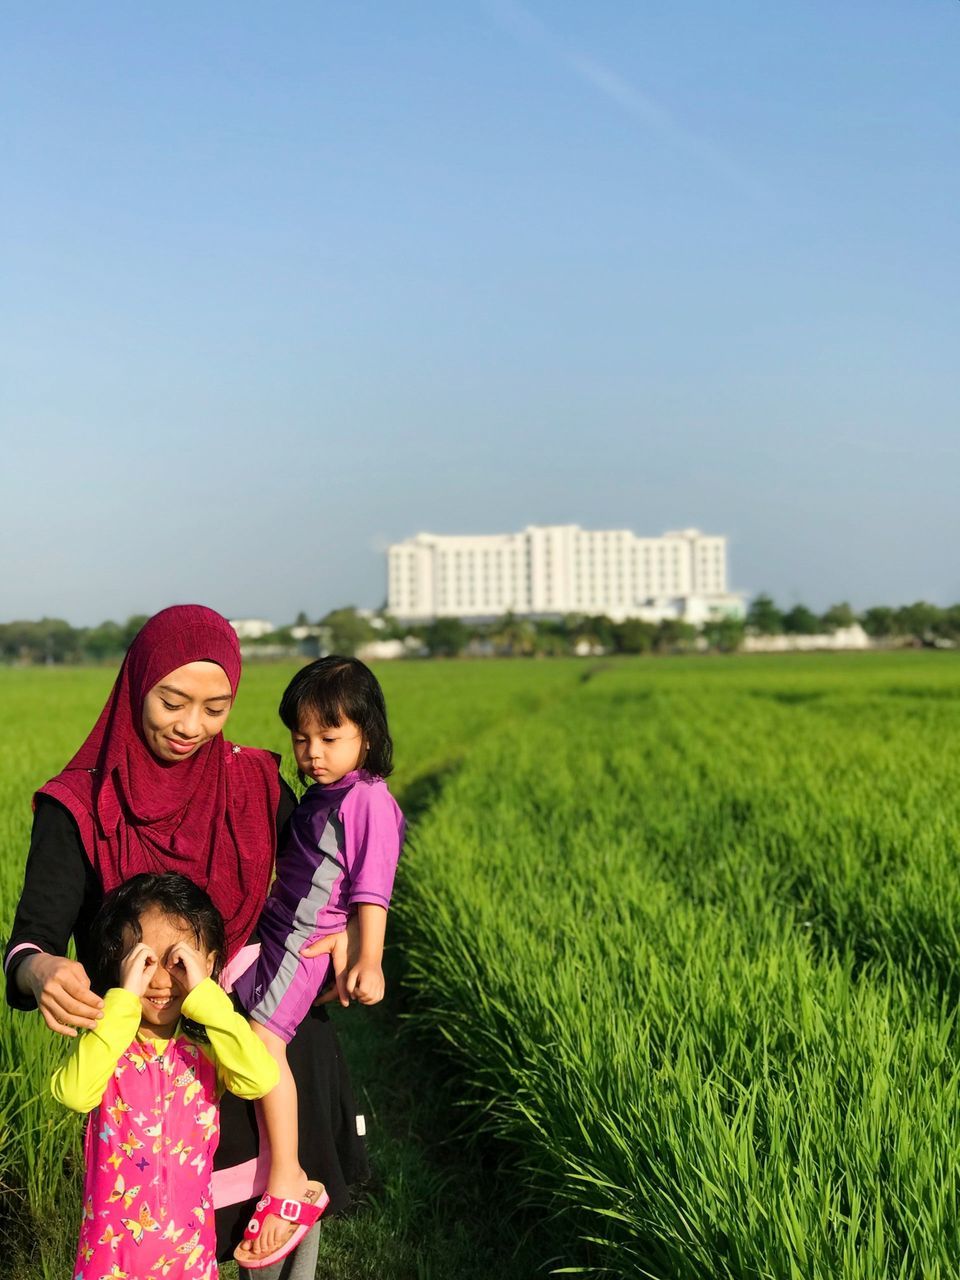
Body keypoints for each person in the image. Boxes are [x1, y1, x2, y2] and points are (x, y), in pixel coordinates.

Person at [4, 605, 369, 1275]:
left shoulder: (255, 781)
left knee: (281, 1235)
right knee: (157, 1242)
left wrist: (348, 925)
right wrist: (41, 971)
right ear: (135, 682)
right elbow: (29, 942)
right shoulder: (77, 805)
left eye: (215, 707)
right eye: (172, 702)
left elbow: (319, 875)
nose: (189, 726)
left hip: (262, 1045)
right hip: (152, 1073)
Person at [232, 657, 404, 1269]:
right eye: (301, 739)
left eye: (329, 739)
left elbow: (371, 888)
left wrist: (369, 958)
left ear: (368, 734)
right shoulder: (324, 794)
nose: (312, 753)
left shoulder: (366, 800)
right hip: (277, 933)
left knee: (260, 1043)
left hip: (301, 944)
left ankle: (290, 1174)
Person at [52, 873, 279, 1280]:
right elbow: (72, 1093)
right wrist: (121, 1003)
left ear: (206, 965)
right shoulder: (108, 1046)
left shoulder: (207, 1053)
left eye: (178, 962)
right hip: (111, 1263)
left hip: (189, 1261)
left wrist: (206, 998)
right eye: (144, 962)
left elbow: (260, 1078)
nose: (159, 981)